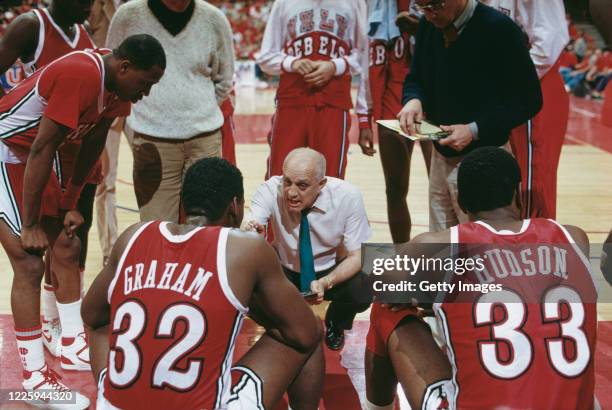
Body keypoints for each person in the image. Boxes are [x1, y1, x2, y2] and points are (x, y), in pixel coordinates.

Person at [364, 147, 597, 410]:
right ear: (518, 194)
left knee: (386, 309)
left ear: (461, 202)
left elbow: (376, 281)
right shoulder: (573, 238)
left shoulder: (440, 246)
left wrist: (419, 291)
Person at [0, 35, 164, 405]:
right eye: (145, 84)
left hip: (38, 156)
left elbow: (93, 141)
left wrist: (71, 201)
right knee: (28, 262)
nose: (146, 94)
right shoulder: (81, 74)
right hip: (7, 148)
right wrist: (30, 224)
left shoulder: (118, 86)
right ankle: (34, 379)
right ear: (125, 68)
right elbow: (43, 145)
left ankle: (71, 341)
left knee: (68, 243)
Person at [82, 157, 322, 410]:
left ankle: (109, 393)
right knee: (312, 328)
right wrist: (246, 299)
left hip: (117, 406)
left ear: (183, 204)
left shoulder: (134, 235)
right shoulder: (244, 249)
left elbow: (91, 314)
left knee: (101, 327)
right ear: (235, 205)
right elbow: (303, 332)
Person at [0, 0, 98, 357]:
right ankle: (47, 334)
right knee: (30, 254)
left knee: (70, 243)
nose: (90, 5)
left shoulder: (83, 33)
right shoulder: (31, 26)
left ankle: (59, 329)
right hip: (27, 147)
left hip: (62, 154)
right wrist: (13, 115)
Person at [398, 0, 542, 232]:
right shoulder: (428, 25)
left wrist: (474, 129)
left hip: (485, 161)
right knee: (442, 248)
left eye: (435, 5)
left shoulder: (500, 28)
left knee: (484, 254)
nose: (430, 14)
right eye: (422, 7)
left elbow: (529, 100)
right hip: (440, 158)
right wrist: (413, 99)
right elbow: (416, 77)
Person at [106, 0, 234, 223]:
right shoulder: (129, 16)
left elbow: (225, 79)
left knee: (206, 225)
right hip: (151, 139)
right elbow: (112, 70)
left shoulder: (214, 19)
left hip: (205, 139)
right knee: (156, 226)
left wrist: (200, 110)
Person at [247, 148, 372, 350]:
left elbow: (358, 256)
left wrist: (326, 282)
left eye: (302, 185)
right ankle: (281, 327)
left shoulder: (348, 196)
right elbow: (252, 224)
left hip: (330, 271)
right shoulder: (270, 189)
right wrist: (252, 231)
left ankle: (336, 322)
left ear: (321, 184)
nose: (291, 192)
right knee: (247, 283)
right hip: (284, 271)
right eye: (287, 182)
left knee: (367, 283)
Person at [257, 0, 372, 180]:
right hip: (291, 100)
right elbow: (265, 57)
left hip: (333, 101)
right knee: (279, 175)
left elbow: (365, 54)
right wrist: (292, 62)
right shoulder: (283, 3)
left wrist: (335, 66)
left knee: (331, 179)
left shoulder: (354, 2)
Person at [481, 0, 570, 219]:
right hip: (508, 89)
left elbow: (549, 43)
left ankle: (534, 250)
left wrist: (509, 80)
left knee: (531, 184)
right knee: (508, 182)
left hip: (532, 88)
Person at [365, 0, 432, 243]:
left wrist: (421, 29)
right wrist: (365, 118)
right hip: (391, 107)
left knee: (443, 190)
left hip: (433, 104)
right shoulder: (379, 6)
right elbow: (369, 63)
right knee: (395, 190)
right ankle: (401, 256)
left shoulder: (438, 8)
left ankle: (453, 260)